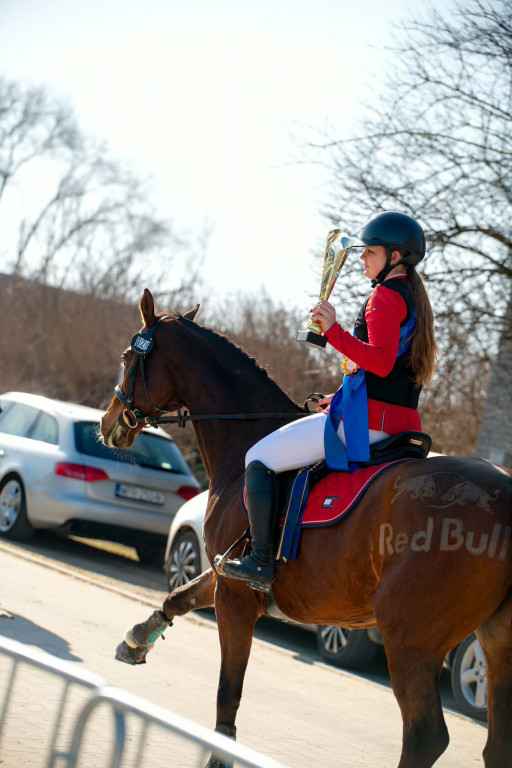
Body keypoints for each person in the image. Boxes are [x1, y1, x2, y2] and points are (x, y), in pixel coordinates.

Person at [221, 211, 438, 593]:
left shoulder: (384, 296)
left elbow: (381, 361)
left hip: (369, 425)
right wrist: (336, 398)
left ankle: (259, 560)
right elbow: (386, 372)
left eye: (370, 252)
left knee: (258, 458)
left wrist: (332, 330)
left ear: (395, 257)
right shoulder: (414, 299)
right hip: (400, 423)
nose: (361, 258)